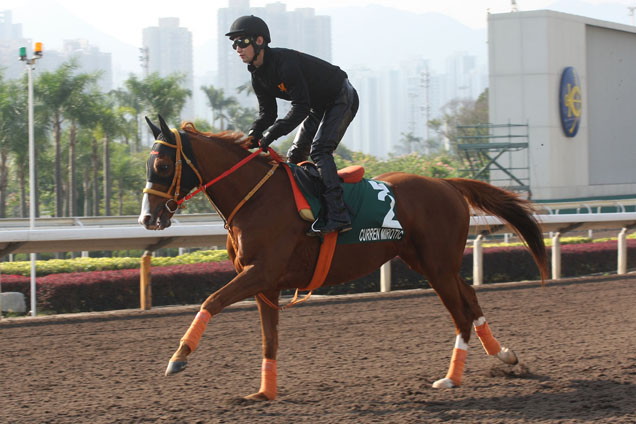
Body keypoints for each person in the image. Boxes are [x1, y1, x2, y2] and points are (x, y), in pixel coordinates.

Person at [226, 15, 359, 234]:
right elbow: (267, 113)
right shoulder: (257, 75)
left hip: (341, 97)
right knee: (296, 155)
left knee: (320, 151)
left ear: (259, 41)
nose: (237, 48)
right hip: (318, 104)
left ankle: (339, 215)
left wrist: (271, 134)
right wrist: (254, 134)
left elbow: (300, 109)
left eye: (242, 42)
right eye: (234, 44)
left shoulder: (285, 63)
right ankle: (304, 212)